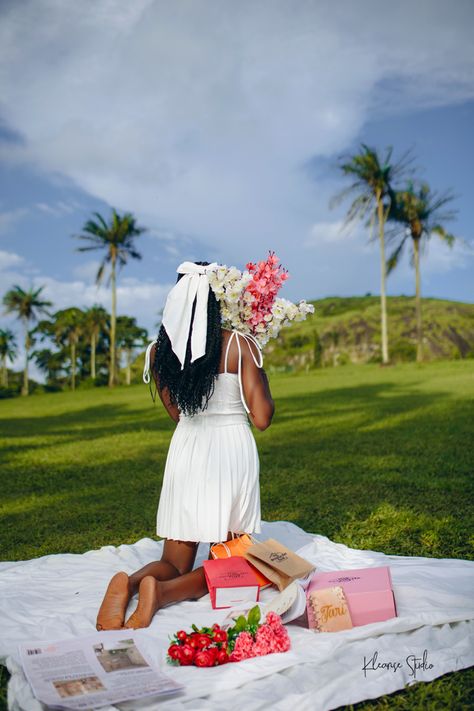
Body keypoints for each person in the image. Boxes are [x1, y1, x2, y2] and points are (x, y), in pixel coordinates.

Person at [96, 261, 274, 630]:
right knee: (231, 559)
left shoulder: (159, 353)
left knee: (175, 560)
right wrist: (260, 369)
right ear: (216, 299)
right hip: (228, 450)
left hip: (187, 449)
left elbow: (178, 414)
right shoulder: (238, 345)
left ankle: (128, 584)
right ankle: (161, 595)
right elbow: (261, 417)